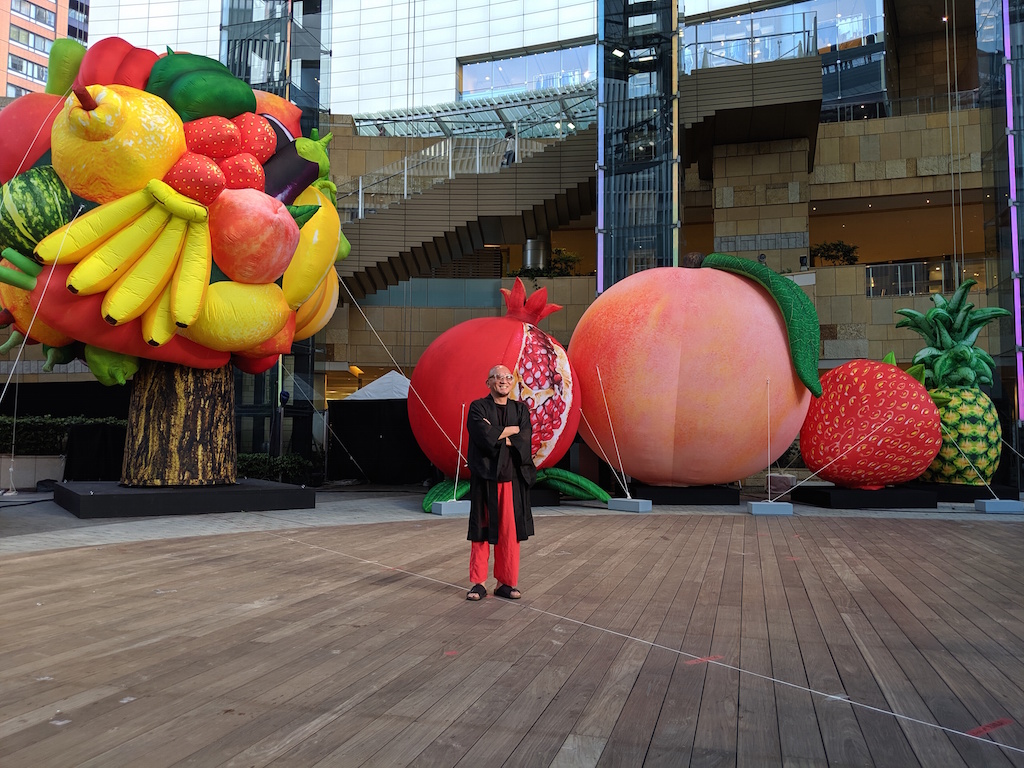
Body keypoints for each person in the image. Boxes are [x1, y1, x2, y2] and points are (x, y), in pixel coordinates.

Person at [465, 363, 536, 601]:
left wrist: (497, 432)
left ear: (512, 382)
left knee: (510, 533)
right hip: (486, 478)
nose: (502, 381)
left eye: (507, 377)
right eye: (496, 377)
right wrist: (510, 432)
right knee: (481, 531)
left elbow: (524, 438)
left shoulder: (521, 409)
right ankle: (479, 583)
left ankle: (506, 583)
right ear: (488, 383)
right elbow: (482, 437)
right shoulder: (477, 407)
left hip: (512, 479)